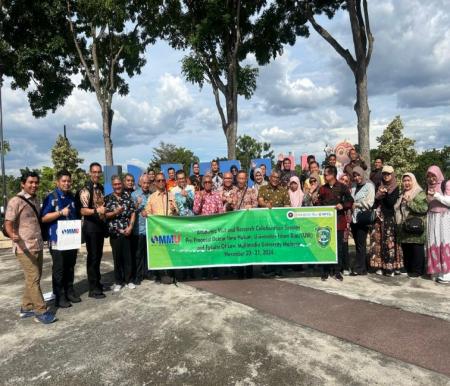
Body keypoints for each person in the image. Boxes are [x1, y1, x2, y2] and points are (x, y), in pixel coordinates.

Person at [4, 171, 56, 324]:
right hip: (23, 247)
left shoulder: (34, 200)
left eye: (36, 182)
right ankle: (40, 311)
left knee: (34, 277)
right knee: (33, 277)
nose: (34, 185)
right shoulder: (16, 201)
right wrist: (12, 234)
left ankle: (26, 307)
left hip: (36, 244)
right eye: (30, 182)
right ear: (23, 184)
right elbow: (8, 222)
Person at [41, 170, 81, 308]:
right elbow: (44, 218)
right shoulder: (51, 197)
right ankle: (59, 295)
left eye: (68, 181)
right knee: (59, 269)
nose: (66, 183)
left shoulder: (72, 197)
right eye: (63, 181)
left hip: (71, 238)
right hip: (56, 239)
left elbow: (75, 215)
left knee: (70, 266)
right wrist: (59, 212)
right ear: (57, 182)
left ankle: (69, 291)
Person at [316, 165, 354, 281]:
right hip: (325, 223)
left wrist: (343, 205)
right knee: (324, 246)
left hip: (339, 222)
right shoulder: (322, 188)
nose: (324, 176)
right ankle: (325, 271)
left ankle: (337, 271)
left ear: (332, 175)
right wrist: (316, 203)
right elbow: (318, 203)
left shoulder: (342, 187)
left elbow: (350, 201)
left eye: (326, 174)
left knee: (339, 247)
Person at [79, 162, 107, 299]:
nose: (96, 174)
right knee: (93, 258)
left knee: (98, 257)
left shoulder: (101, 187)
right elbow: (83, 210)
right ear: (90, 173)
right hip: (90, 228)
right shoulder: (85, 189)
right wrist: (97, 210)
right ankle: (93, 288)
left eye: (98, 172)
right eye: (94, 172)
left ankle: (98, 282)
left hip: (100, 227)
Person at [369, 165, 403, 276]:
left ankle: (390, 267)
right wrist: (378, 195)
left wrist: (385, 193)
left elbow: (391, 203)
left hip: (389, 218)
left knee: (389, 243)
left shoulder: (395, 187)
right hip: (378, 218)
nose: (386, 176)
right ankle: (379, 266)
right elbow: (374, 202)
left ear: (392, 175)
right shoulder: (379, 185)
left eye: (388, 174)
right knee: (378, 243)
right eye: (384, 174)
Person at [105, 176, 136, 292]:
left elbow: (133, 212)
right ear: (112, 186)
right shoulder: (107, 198)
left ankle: (129, 280)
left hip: (127, 232)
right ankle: (118, 281)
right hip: (115, 234)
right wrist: (115, 212)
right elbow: (105, 215)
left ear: (122, 184)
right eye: (115, 184)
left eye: (119, 184)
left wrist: (131, 226)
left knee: (128, 258)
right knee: (117, 258)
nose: (117, 186)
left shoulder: (127, 197)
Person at [145, 172, 178, 282]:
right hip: (158, 232)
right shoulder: (151, 197)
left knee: (171, 252)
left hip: (169, 230)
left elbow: (177, 212)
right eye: (158, 180)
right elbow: (147, 212)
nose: (161, 182)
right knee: (160, 253)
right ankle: (161, 274)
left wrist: (174, 210)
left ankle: (171, 273)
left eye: (163, 180)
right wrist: (144, 213)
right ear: (155, 183)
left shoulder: (171, 195)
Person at [395, 173, 428, 278]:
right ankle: (409, 268)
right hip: (405, 228)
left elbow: (423, 208)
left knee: (416, 248)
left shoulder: (420, 193)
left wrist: (409, 202)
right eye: (404, 181)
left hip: (416, 227)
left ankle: (418, 271)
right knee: (407, 248)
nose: (406, 183)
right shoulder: (401, 194)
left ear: (413, 181)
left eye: (409, 180)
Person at [258, 170, 290, 277]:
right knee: (268, 245)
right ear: (270, 177)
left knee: (279, 245)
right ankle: (268, 268)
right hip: (266, 223)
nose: (275, 179)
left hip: (279, 223)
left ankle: (278, 269)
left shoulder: (283, 190)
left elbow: (287, 205)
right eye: (273, 177)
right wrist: (266, 204)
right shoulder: (263, 188)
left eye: (277, 178)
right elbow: (260, 201)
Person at [194, 175, 224, 279]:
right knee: (205, 250)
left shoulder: (216, 195)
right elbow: (196, 211)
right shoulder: (198, 194)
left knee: (214, 249)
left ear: (212, 184)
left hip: (215, 228)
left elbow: (221, 212)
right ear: (202, 184)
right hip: (203, 228)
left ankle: (215, 272)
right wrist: (200, 200)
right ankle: (205, 272)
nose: (207, 184)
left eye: (209, 182)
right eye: (205, 182)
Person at [425, 166, 450, 283]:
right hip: (432, 217)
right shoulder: (429, 187)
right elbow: (429, 203)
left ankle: (446, 273)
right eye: (429, 176)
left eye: (433, 175)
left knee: (444, 242)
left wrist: (436, 196)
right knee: (434, 242)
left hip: (444, 217)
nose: (431, 178)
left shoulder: (447, 184)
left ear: (438, 174)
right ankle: (435, 270)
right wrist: (429, 197)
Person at [349, 166, 375, 276]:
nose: (356, 177)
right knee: (358, 244)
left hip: (362, 217)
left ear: (362, 174)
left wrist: (358, 204)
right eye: (354, 176)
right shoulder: (354, 186)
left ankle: (359, 268)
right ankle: (362, 268)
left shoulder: (369, 186)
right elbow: (351, 200)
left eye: (358, 175)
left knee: (361, 244)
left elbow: (370, 202)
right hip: (354, 219)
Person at [233, 170, 258, 279]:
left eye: (243, 178)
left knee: (248, 247)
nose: (241, 180)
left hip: (248, 224)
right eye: (240, 178)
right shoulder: (233, 191)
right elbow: (228, 208)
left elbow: (256, 204)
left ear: (246, 179)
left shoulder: (251, 191)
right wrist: (229, 203)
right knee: (238, 247)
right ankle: (239, 272)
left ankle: (249, 271)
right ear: (237, 179)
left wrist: (251, 207)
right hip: (237, 225)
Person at [172, 170, 196, 280]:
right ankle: (183, 272)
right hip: (180, 224)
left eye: (183, 178)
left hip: (191, 223)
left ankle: (191, 271)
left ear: (185, 178)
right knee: (182, 248)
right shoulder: (173, 191)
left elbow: (193, 205)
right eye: (179, 178)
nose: (181, 180)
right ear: (176, 180)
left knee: (191, 247)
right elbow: (175, 208)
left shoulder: (191, 188)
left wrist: (187, 197)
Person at [130, 174, 152, 285]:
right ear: (140, 183)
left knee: (148, 253)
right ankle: (138, 276)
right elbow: (130, 210)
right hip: (138, 230)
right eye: (144, 183)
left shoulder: (152, 195)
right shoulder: (134, 195)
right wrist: (137, 204)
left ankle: (147, 273)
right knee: (138, 254)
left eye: (148, 183)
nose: (146, 185)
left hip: (150, 230)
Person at [339, 174, 353, 275]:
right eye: (342, 179)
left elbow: (349, 205)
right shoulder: (335, 190)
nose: (344, 181)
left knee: (344, 243)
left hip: (345, 219)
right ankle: (337, 266)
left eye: (346, 180)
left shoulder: (349, 192)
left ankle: (345, 266)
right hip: (335, 220)